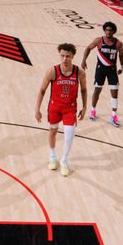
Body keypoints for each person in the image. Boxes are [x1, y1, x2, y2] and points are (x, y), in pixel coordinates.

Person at [35, 43, 87, 176]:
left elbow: (84, 90)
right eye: (62, 56)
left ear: (73, 56)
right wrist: (37, 109)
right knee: (53, 131)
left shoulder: (79, 72)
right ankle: (52, 157)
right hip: (55, 106)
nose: (65, 59)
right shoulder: (52, 71)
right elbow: (42, 90)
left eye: (68, 56)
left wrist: (85, 106)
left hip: (70, 108)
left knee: (69, 134)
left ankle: (64, 160)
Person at [81, 21, 123, 126]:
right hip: (100, 69)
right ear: (104, 30)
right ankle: (93, 110)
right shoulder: (99, 40)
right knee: (97, 90)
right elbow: (88, 48)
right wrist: (83, 60)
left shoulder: (118, 43)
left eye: (110, 30)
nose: (108, 32)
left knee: (114, 92)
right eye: (106, 30)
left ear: (114, 31)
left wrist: (121, 66)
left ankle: (113, 115)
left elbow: (121, 55)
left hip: (112, 70)